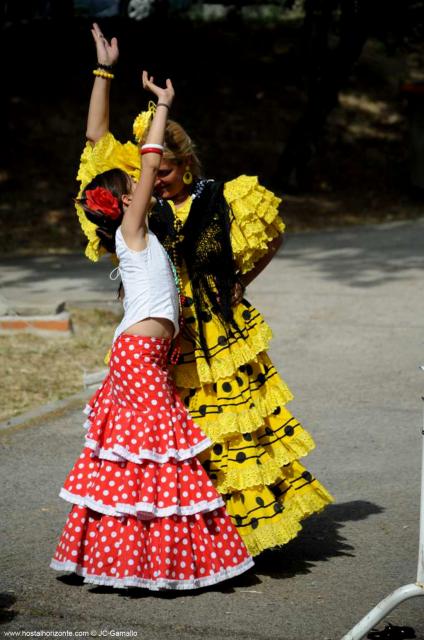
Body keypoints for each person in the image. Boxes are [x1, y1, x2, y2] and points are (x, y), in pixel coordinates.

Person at [76, 24, 333, 558]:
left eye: (167, 171)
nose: (160, 179)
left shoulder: (224, 197)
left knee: (233, 435)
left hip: (217, 331)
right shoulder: (145, 208)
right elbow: (98, 142)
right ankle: (186, 534)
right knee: (173, 440)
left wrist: (241, 280)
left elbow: (274, 234)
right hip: (165, 341)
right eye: (156, 171)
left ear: (185, 162)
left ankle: (235, 535)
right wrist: (104, 72)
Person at [50, 25, 254, 589]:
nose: (149, 188)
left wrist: (105, 71)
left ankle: (123, 555)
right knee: (158, 455)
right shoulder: (134, 231)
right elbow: (141, 160)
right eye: (136, 189)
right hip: (139, 353)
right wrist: (161, 106)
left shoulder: (144, 235)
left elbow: (97, 138)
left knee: (137, 458)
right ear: (122, 203)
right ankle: (146, 557)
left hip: (141, 351)